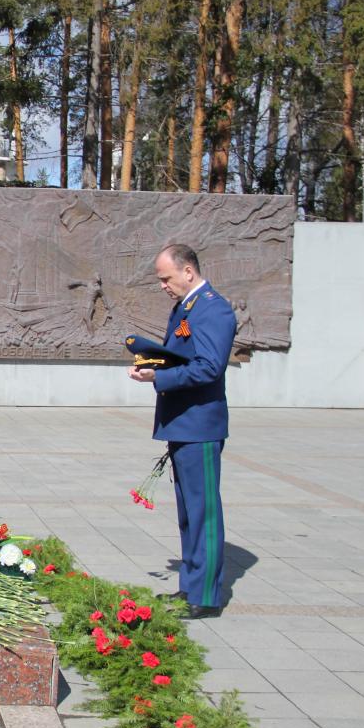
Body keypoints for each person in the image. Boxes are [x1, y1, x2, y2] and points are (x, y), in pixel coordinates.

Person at [127, 244, 236, 620]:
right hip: (184, 423)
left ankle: (205, 596)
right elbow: (184, 356)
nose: (162, 286)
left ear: (188, 272)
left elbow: (208, 367)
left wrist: (160, 376)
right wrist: (150, 363)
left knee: (203, 511)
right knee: (189, 513)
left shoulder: (213, 308)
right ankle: (190, 586)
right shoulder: (187, 307)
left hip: (200, 425)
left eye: (166, 278)